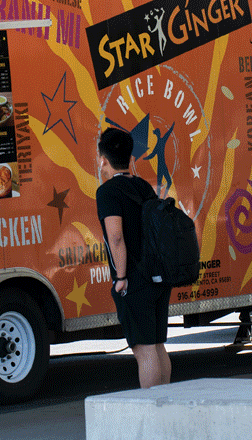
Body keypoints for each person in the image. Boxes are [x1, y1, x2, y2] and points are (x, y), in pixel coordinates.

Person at [96, 127, 172, 389]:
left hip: (135, 279)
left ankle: (153, 412)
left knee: (143, 350)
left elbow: (116, 238)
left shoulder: (107, 192)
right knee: (157, 345)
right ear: (130, 159)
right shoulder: (144, 187)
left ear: (102, 160)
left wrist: (120, 278)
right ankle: (165, 404)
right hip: (158, 275)